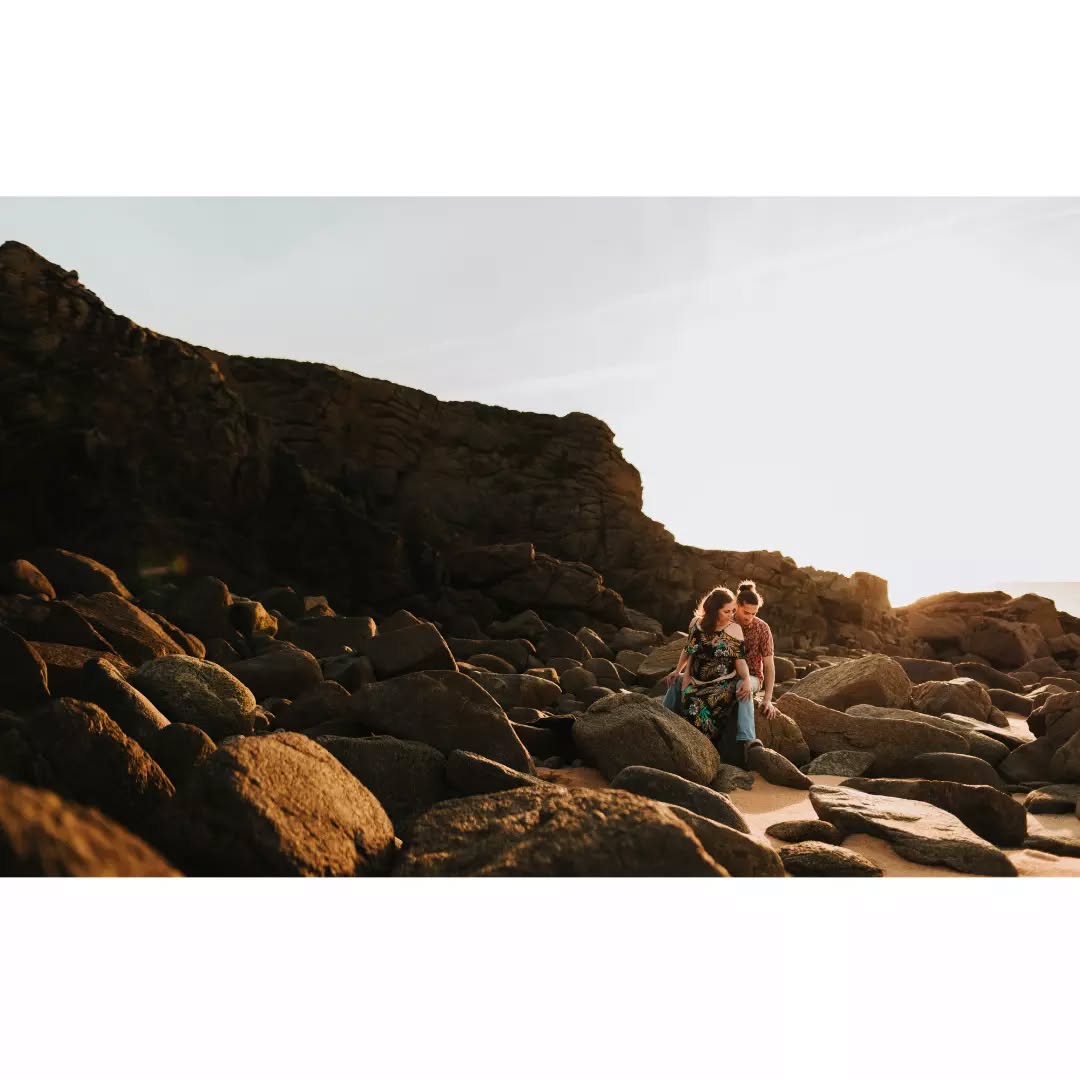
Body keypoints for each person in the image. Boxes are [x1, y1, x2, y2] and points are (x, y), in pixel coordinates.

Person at [667, 586, 753, 748]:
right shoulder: (696, 624)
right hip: (695, 680)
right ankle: (664, 722)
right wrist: (680, 672)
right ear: (714, 611)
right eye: (727, 612)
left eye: (733, 611)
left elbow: (740, 661)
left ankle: (705, 749)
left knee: (699, 709)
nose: (731, 615)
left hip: (722, 685)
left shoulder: (734, 629)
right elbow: (689, 650)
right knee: (684, 694)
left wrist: (747, 679)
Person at [730, 579, 778, 737]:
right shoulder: (726, 622)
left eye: (754, 613)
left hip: (752, 678)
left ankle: (748, 739)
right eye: (746, 612)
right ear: (736, 606)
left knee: (742, 685)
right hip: (724, 674)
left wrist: (767, 699)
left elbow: (769, 665)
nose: (750, 617)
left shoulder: (762, 628)